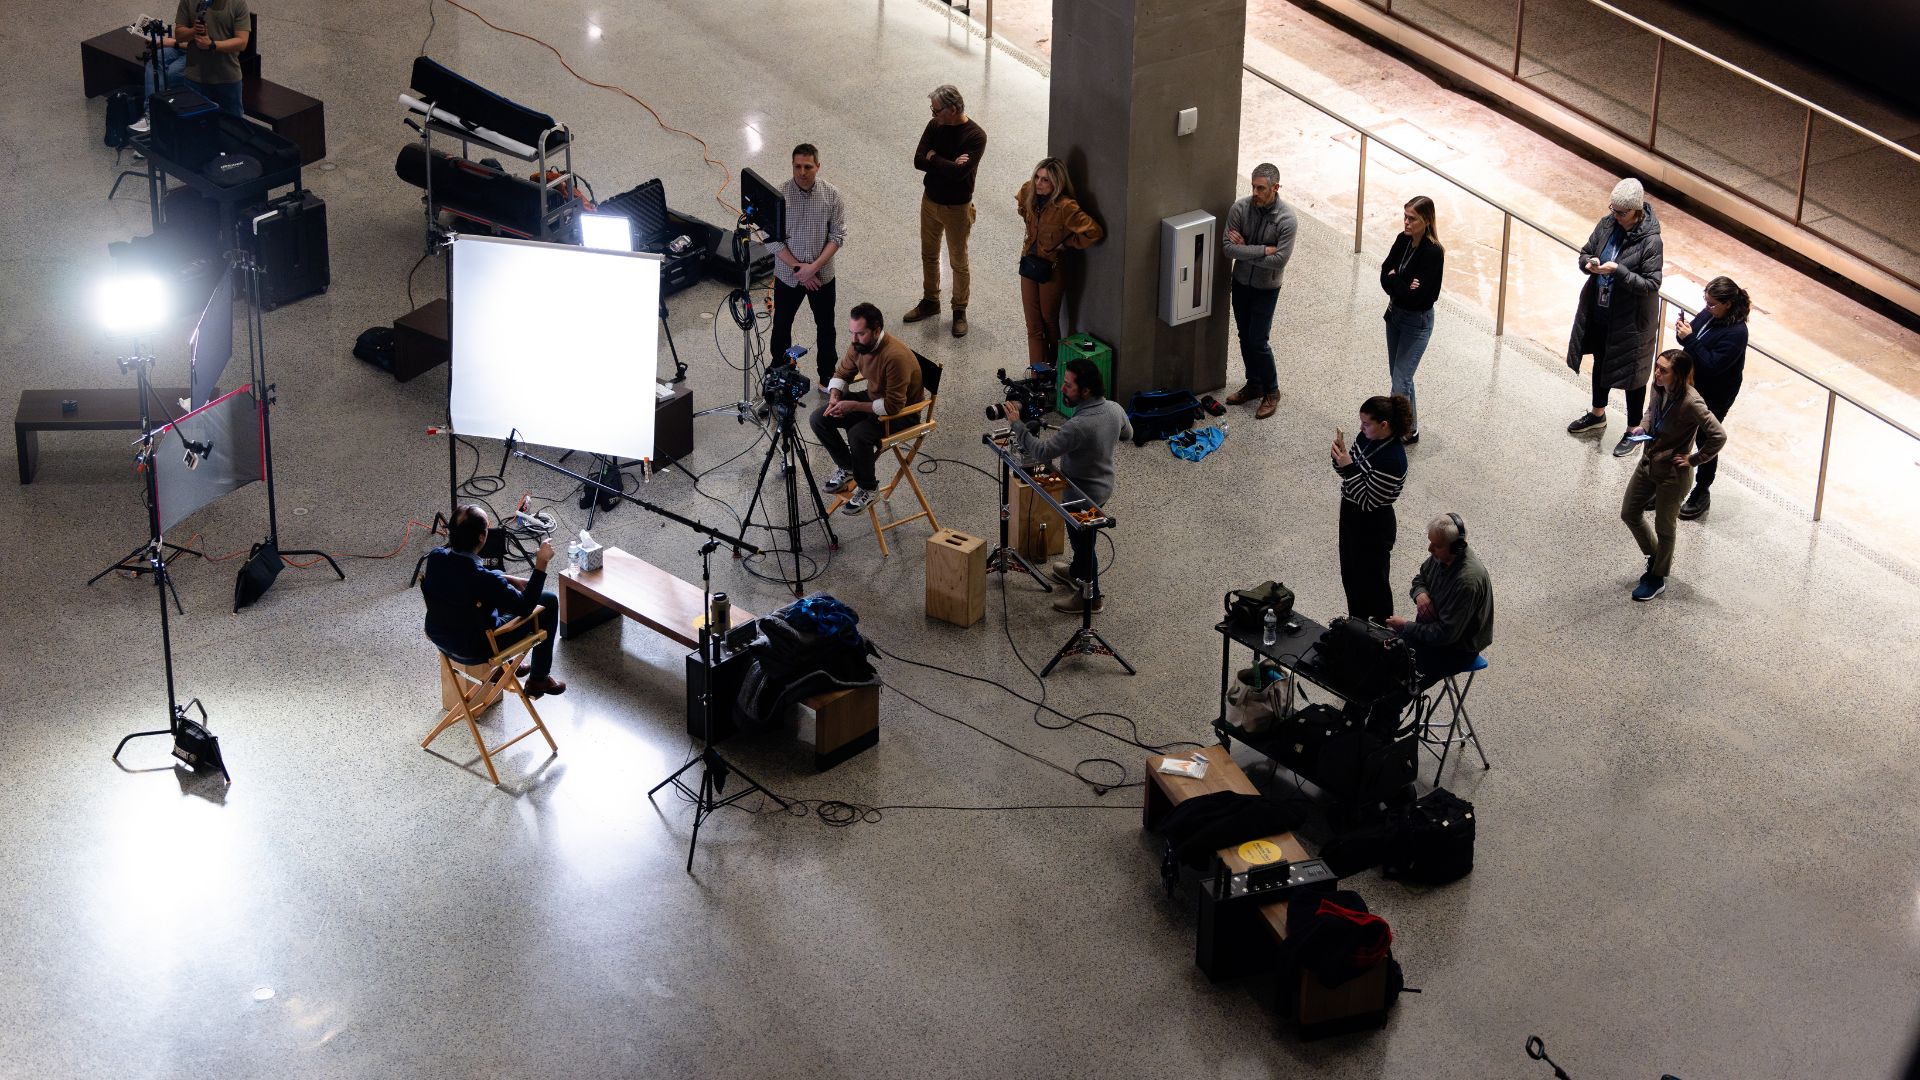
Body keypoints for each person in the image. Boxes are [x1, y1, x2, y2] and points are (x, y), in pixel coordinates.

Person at [1001, 359, 1132, 615]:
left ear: (1085, 391)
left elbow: (1040, 452)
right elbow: (1127, 434)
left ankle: (1090, 597)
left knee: (1084, 545)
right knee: (1082, 541)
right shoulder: (1114, 409)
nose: (1062, 389)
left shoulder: (1078, 426)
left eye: (1068, 386)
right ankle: (1075, 572)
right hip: (1103, 487)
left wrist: (1017, 424)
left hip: (1081, 496)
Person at [421, 505, 566, 698]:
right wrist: (541, 564)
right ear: (482, 537)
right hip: (478, 648)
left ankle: (505, 668)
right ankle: (538, 680)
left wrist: (507, 578)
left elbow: (465, 578)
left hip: (441, 638)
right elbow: (525, 607)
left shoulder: (436, 557)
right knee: (548, 600)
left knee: (480, 599)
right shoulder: (484, 581)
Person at [1565, 177, 1664, 456]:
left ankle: (1634, 430)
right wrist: (1589, 263)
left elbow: (1651, 285)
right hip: (1601, 309)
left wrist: (1617, 271)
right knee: (1601, 358)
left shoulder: (1651, 241)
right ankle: (1598, 414)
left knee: (1633, 374)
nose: (1616, 216)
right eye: (1614, 210)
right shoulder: (1607, 224)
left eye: (1622, 212)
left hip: (1631, 320)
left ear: (1636, 211)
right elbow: (1585, 252)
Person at [1619, 349, 1726, 601]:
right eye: (1657, 367)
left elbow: (1718, 435)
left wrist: (1694, 459)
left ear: (1678, 375)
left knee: (1665, 527)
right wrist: (1642, 428)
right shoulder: (1658, 387)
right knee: (1629, 513)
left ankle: (1657, 577)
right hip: (1648, 463)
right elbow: (1651, 412)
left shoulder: (1691, 401)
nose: (1657, 373)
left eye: (1663, 370)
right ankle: (1657, 556)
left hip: (1673, 475)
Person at [811, 302, 924, 515]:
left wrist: (853, 405)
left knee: (858, 434)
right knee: (819, 419)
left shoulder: (895, 357)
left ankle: (869, 488)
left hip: (902, 413)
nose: (854, 340)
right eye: (852, 333)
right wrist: (835, 396)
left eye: (860, 334)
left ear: (877, 330)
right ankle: (849, 467)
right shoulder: (859, 345)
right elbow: (842, 373)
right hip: (876, 400)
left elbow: (893, 405)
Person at [905, 85, 987, 338]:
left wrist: (935, 158)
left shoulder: (975, 136)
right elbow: (918, 159)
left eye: (936, 110)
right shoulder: (935, 126)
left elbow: (959, 173)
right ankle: (931, 300)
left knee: (958, 262)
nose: (933, 115)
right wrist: (945, 162)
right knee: (928, 254)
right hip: (929, 201)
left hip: (957, 208)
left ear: (953, 109)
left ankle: (959, 310)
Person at [766, 143, 848, 388]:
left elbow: (837, 236)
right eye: (797, 166)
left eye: (808, 167)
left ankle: (826, 375)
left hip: (821, 275)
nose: (802, 172)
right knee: (781, 325)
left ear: (818, 166)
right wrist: (798, 269)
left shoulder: (832, 196)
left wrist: (813, 268)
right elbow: (771, 239)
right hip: (788, 276)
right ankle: (781, 370)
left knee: (826, 326)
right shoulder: (778, 196)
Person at [1222, 163, 1298, 420]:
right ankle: (1254, 384)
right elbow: (1228, 249)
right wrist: (1263, 249)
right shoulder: (1240, 209)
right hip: (1241, 283)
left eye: (1261, 188)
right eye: (1253, 186)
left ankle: (1272, 391)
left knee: (1258, 340)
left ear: (1276, 188)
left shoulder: (1287, 220)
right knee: (1245, 336)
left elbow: (1279, 261)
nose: (1255, 191)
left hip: (1267, 288)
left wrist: (1247, 248)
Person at [1383, 513, 1494, 687]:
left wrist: (1406, 626)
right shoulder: (1442, 555)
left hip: (1454, 649)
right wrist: (1420, 595)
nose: (1430, 549)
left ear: (1456, 547)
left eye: (1436, 545)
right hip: (1432, 634)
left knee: (1397, 682)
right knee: (1381, 655)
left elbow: (1445, 635)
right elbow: (1420, 578)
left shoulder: (1467, 582)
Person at [1015, 158, 1104, 369]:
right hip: (1029, 265)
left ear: (1057, 183)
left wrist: (1068, 242)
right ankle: (1037, 374)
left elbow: (1094, 232)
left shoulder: (1065, 207)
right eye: (1037, 177)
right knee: (1033, 326)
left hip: (1052, 269)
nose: (1039, 183)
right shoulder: (1029, 191)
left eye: (1046, 180)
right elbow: (1021, 204)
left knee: (1049, 320)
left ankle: (1054, 366)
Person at [1673, 276, 1750, 520]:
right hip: (1691, 383)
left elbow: (1712, 364)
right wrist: (1682, 333)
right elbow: (1690, 341)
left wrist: (1690, 339)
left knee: (1706, 439)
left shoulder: (1737, 332)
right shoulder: (1710, 314)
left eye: (1712, 303)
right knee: (1677, 431)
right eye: (1706, 302)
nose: (1707, 307)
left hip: (1715, 393)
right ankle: (1670, 484)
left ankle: (1702, 490)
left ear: (1727, 304)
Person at [1332, 395, 1414, 621]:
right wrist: (1340, 459)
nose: (1361, 427)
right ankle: (1356, 624)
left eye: (1366, 423)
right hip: (1351, 516)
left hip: (1372, 527)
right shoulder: (1366, 437)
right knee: (1350, 576)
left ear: (1384, 425)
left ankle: (1380, 633)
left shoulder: (1393, 460)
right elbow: (1349, 476)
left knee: (1373, 585)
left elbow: (1368, 501)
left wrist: (1347, 468)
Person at [1379, 196, 1444, 443]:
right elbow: (1385, 274)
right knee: (1399, 377)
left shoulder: (1433, 253)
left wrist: (1397, 280)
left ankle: (1398, 432)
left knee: (1400, 382)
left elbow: (1423, 297)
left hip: (1416, 324)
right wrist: (1402, 284)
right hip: (1395, 316)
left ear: (1426, 220)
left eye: (1412, 218)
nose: (1406, 222)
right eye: (1405, 216)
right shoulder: (1402, 240)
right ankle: (1411, 427)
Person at [150, 0, 252, 119]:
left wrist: (212, 45)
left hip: (227, 79)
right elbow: (179, 35)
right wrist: (194, 31)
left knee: (233, 128)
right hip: (195, 78)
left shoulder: (238, 3)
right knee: (195, 128)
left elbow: (242, 42)